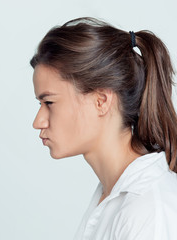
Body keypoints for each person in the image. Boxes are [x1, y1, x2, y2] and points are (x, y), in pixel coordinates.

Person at [30, 17, 177, 239]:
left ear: (101, 101)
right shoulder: (110, 194)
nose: (38, 121)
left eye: (49, 103)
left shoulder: (148, 209)